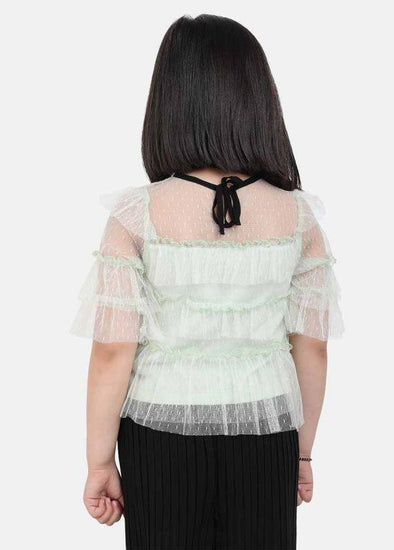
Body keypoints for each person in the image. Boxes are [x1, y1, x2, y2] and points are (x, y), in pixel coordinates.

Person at [71, 14, 343, 550]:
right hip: (266, 432)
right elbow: (312, 348)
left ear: (169, 102)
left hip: (159, 433)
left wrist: (100, 462)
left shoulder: (136, 215)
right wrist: (303, 452)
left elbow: (112, 352)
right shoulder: (297, 217)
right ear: (258, 100)